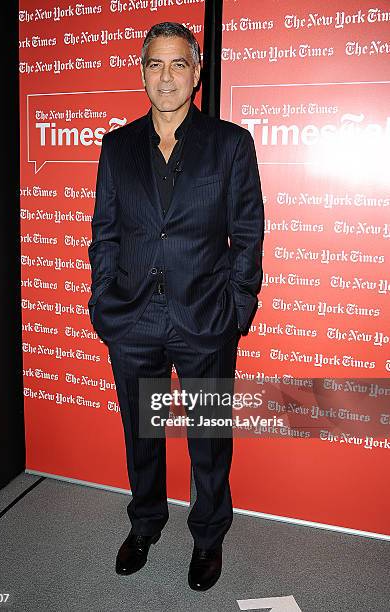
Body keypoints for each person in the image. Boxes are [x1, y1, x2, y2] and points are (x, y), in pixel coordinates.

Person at [87, 22, 264, 591]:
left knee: (208, 436)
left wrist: (238, 305)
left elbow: (248, 231)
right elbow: (105, 231)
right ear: (142, 72)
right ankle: (146, 522)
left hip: (205, 317)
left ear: (196, 73)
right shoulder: (116, 148)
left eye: (178, 65)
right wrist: (103, 296)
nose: (166, 76)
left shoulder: (231, 143)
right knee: (143, 432)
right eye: (155, 65)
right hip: (133, 318)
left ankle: (208, 536)